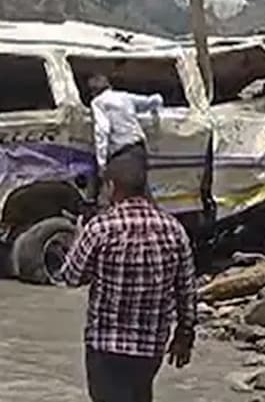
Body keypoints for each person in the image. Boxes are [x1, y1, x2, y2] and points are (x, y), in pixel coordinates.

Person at [61, 152, 196, 402]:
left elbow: (71, 276)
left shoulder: (101, 228)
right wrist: (185, 335)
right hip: (150, 348)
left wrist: (79, 234)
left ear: (111, 186)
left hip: (106, 347)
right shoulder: (174, 229)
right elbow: (187, 290)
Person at [88, 74, 163, 207]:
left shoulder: (97, 102)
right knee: (140, 190)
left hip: (122, 153)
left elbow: (102, 129)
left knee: (118, 193)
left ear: (93, 92)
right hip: (138, 149)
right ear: (110, 86)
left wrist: (101, 162)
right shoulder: (124, 96)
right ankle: (155, 217)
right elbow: (151, 101)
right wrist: (158, 105)